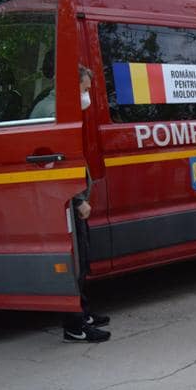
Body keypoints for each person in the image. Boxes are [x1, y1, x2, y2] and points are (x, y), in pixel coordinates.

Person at [63, 65, 111, 342]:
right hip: (68, 203)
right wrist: (79, 198)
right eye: (84, 88)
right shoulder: (57, 116)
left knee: (83, 259)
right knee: (75, 262)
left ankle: (84, 312)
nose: (87, 95)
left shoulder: (69, 115)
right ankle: (75, 326)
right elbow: (60, 162)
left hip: (75, 200)